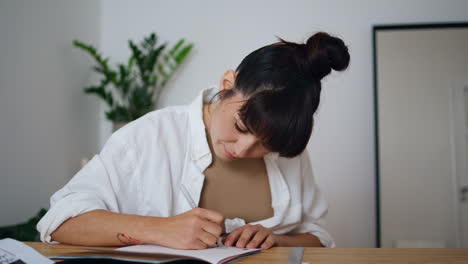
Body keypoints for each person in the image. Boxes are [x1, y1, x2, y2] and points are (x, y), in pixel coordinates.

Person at [37, 31, 350, 250]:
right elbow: (59, 222)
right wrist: (158, 229)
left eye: (265, 144)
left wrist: (276, 239)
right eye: (241, 126)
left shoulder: (287, 153)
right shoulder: (150, 135)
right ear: (227, 83)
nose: (243, 150)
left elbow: (318, 235)